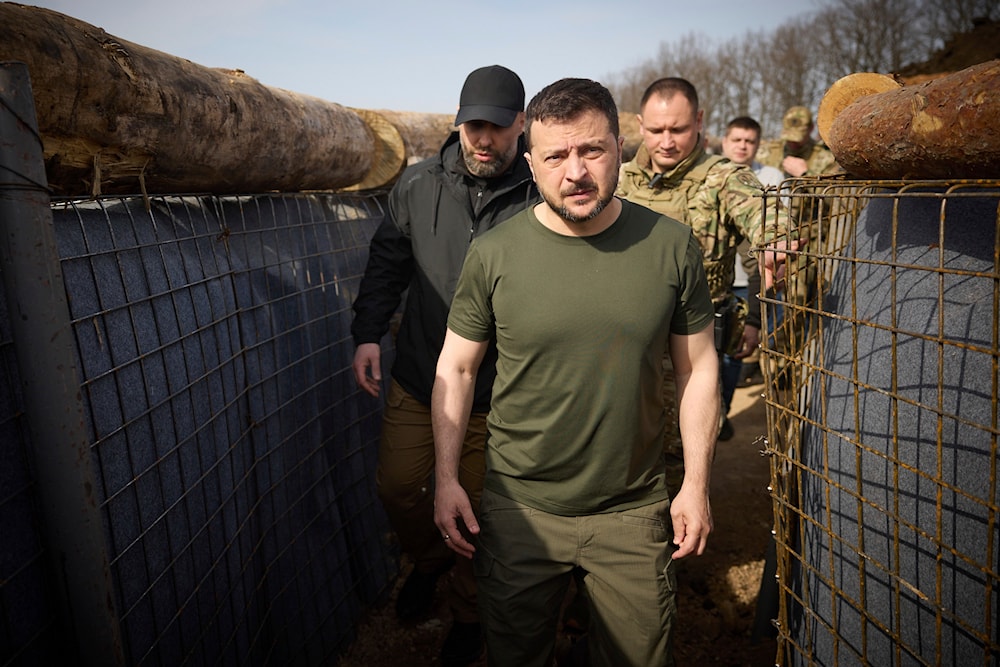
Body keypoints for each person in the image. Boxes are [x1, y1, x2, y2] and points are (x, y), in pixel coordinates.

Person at [431, 77, 720, 667]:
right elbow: (456, 369)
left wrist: (695, 484)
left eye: (592, 150)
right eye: (556, 156)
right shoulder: (494, 254)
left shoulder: (671, 246)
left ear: (621, 148)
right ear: (531, 163)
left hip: (632, 510)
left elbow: (698, 369)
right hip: (519, 509)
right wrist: (446, 478)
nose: (576, 172)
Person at [350, 64, 537, 667]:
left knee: (479, 513)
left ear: (521, 125)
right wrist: (368, 333)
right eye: (473, 125)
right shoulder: (417, 185)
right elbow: (387, 262)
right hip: (421, 373)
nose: (484, 139)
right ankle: (428, 562)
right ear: (458, 123)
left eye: (497, 127)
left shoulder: (540, 193)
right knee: (399, 487)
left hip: (497, 391)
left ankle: (468, 612)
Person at [616, 78, 795, 484]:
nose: (666, 142)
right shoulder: (621, 178)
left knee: (683, 460)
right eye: (656, 130)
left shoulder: (723, 177)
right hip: (626, 345)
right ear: (640, 125)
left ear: (698, 122)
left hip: (690, 348)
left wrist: (775, 240)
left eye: (678, 129)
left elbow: (763, 210)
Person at [721, 115, 783, 387]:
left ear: (758, 144)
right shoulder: (710, 176)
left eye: (749, 141)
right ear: (724, 142)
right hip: (717, 280)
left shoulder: (771, 177)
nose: (742, 146)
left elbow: (775, 230)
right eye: (736, 139)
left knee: (736, 348)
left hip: (751, 281)